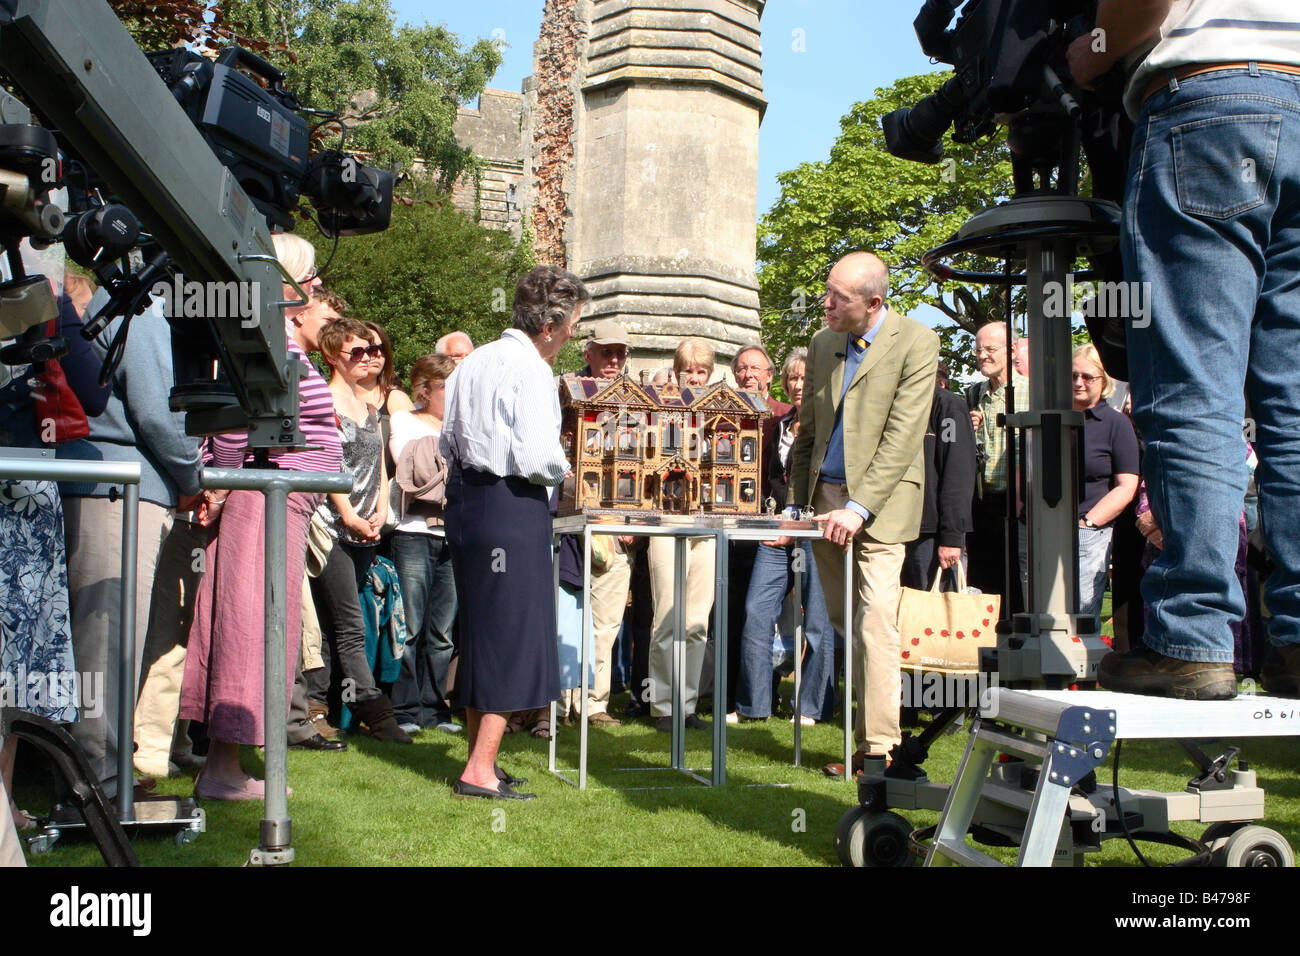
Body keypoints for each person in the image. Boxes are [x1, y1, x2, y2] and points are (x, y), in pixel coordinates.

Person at [1068, 0, 1300, 698]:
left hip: (1212, 100)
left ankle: (1191, 639)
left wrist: (1096, 50)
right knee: (1291, 405)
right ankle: (1293, 640)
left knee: (1193, 390)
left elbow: (1142, 5)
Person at [179, 231, 342, 800]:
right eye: (314, 281)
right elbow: (227, 426)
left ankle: (227, 766)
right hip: (261, 501)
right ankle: (223, 770)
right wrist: (225, 489)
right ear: (285, 286)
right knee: (250, 625)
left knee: (263, 625)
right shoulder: (261, 345)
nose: (321, 292)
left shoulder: (277, 346)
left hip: (280, 502)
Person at [782, 251, 938, 776]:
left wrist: (858, 507)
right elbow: (807, 433)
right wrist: (793, 503)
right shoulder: (824, 343)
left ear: (873, 303)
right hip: (823, 503)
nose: (824, 304)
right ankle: (861, 742)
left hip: (881, 509)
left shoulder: (918, 342)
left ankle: (880, 751)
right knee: (843, 624)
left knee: (876, 624)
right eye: (826, 291)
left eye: (837, 298)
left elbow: (902, 436)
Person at [440, 265, 588, 799]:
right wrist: (568, 468)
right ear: (550, 324)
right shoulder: (530, 370)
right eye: (573, 321)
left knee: (482, 632)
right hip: (510, 504)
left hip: (466, 502)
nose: (574, 331)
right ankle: (478, 770)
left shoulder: (472, 360)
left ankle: (482, 760)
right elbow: (533, 455)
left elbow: (447, 441)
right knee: (512, 634)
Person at [57, 269, 202, 802]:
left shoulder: (102, 308)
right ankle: (100, 784)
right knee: (108, 642)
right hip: (119, 492)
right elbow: (158, 413)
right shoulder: (138, 311)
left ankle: (95, 772)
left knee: (97, 640)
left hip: (105, 485)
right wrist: (192, 478)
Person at [304, 317, 410, 743]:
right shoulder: (323, 404)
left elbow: (382, 468)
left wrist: (381, 511)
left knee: (337, 623)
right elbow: (326, 465)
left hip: (367, 528)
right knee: (350, 624)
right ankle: (377, 714)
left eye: (373, 350)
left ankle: (319, 710)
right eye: (358, 352)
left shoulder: (369, 409)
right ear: (332, 356)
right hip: (331, 529)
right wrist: (347, 514)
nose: (369, 358)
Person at [732, 348, 837, 725]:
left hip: (816, 533)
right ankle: (754, 705)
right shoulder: (778, 425)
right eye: (792, 378)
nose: (797, 385)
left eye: (805, 378)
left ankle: (811, 707)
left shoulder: (831, 426)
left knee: (817, 624)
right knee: (756, 613)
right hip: (776, 533)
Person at [556, 318, 636, 727]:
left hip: (616, 528)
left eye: (620, 352)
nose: (614, 359)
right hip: (570, 524)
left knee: (606, 622)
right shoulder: (565, 390)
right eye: (606, 351)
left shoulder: (638, 403)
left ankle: (593, 704)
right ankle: (558, 704)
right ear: (588, 353)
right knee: (567, 617)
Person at [646, 338, 719, 732]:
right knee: (666, 618)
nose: (694, 376)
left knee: (696, 621)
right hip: (666, 521)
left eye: (701, 370)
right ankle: (662, 706)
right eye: (688, 369)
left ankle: (687, 705)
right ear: (676, 371)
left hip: (706, 524)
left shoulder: (721, 413)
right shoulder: (658, 412)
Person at [388, 353, 461, 735]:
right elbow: (411, 466)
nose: (454, 394)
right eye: (447, 386)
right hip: (414, 533)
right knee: (409, 626)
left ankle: (436, 711)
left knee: (443, 631)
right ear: (424, 389)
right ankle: (403, 710)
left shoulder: (463, 427)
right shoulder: (404, 420)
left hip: (454, 536)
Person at [1070, 344, 1140, 622]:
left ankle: (1081, 665)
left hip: (1089, 532)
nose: (1078, 382)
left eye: (1088, 377)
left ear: (1104, 381)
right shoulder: (1050, 419)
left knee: (1081, 614)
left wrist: (1090, 522)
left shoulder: (1116, 424)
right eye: (1073, 375)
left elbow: (1127, 485)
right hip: (1041, 529)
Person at [964, 321, 1028, 613]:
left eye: (990, 349)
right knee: (983, 590)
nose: (982, 356)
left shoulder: (1033, 392)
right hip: (981, 506)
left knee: (1017, 586)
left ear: (1012, 350)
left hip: (1018, 507)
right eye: (978, 350)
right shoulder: (973, 394)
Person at [902, 362, 977, 592]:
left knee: (934, 618)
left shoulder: (947, 406)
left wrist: (952, 538)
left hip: (931, 533)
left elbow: (957, 473)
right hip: (899, 528)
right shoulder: (900, 403)